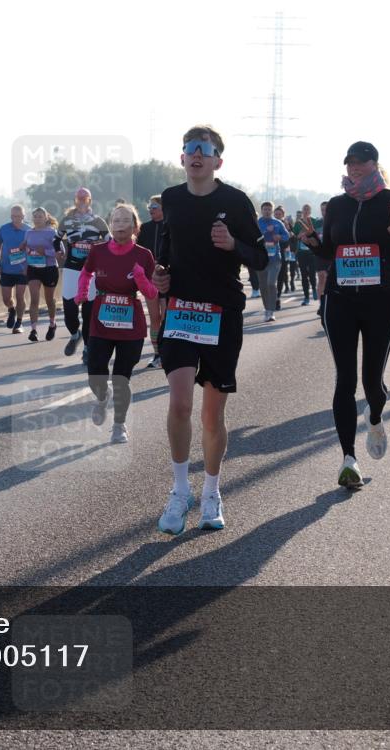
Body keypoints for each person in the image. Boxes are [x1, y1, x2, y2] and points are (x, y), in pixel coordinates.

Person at [153, 124, 268, 534]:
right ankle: (180, 491)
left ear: (218, 160)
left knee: (211, 414)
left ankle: (212, 492)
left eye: (204, 149)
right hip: (182, 311)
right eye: (189, 148)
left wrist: (232, 245)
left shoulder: (235, 201)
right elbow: (165, 250)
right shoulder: (171, 199)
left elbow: (261, 258)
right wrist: (161, 276)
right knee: (180, 403)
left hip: (222, 312)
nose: (196, 154)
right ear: (182, 158)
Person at [314, 141, 390, 488]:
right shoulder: (338, 205)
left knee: (371, 381)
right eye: (349, 163)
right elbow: (330, 251)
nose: (354, 168)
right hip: (340, 301)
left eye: (360, 162)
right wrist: (315, 245)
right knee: (344, 379)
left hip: (381, 302)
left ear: (375, 165)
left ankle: (374, 415)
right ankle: (349, 460)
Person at [75, 204, 158, 442]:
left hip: (131, 325)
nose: (120, 225)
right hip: (101, 321)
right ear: (110, 225)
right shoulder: (98, 251)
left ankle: (119, 426)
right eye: (116, 220)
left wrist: (141, 278)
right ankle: (103, 397)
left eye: (125, 221)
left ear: (135, 226)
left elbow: (152, 292)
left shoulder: (144, 255)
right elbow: (86, 272)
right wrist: (82, 291)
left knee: (122, 378)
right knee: (95, 375)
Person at [59, 188, 109, 363]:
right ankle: (75, 334)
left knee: (89, 313)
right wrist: (60, 251)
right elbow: (55, 240)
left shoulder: (98, 221)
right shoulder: (66, 221)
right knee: (69, 312)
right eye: (79, 198)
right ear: (75, 200)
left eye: (85, 198)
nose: (81, 201)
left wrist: (99, 246)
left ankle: (87, 348)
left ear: (90, 200)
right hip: (72, 269)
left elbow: (110, 242)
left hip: (92, 271)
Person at [22, 207, 62, 342]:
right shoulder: (28, 233)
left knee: (49, 300)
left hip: (49, 268)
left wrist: (45, 252)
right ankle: (33, 330)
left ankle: (52, 324)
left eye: (40, 216)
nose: (37, 219)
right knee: (34, 299)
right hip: (33, 268)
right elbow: (25, 249)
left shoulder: (53, 233)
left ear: (46, 218)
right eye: (35, 216)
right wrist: (25, 253)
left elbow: (61, 253)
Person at [137, 195, 166, 367]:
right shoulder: (144, 228)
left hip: (169, 279)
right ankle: (157, 354)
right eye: (149, 206)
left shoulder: (171, 226)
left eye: (154, 206)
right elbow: (139, 253)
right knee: (155, 318)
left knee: (167, 317)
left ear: (163, 208)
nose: (151, 209)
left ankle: (168, 352)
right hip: (150, 280)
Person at [0, 205, 31, 333]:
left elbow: (33, 250)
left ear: (23, 217)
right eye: (14, 216)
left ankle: (19, 323)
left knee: (20, 296)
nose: (16, 219)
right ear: (11, 216)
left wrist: (29, 265)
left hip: (23, 270)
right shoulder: (3, 229)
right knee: (6, 298)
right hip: (6, 269)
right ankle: (11, 309)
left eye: (19, 216)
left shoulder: (29, 230)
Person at [258, 202, 291, 321]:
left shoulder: (278, 223)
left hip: (275, 258)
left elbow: (287, 236)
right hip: (261, 259)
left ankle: (271, 311)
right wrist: (265, 232)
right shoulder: (257, 223)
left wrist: (280, 237)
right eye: (265, 209)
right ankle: (267, 309)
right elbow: (252, 237)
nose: (267, 211)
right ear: (261, 210)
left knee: (271, 283)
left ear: (272, 211)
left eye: (269, 209)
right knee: (263, 286)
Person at [294, 204, 320, 307]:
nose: (305, 211)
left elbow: (318, 235)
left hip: (312, 252)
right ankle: (306, 297)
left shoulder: (314, 221)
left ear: (310, 211)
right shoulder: (298, 223)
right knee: (304, 275)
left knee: (312, 274)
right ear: (302, 210)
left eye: (307, 209)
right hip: (301, 253)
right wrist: (299, 235)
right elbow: (295, 236)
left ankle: (313, 288)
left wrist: (310, 235)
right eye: (304, 209)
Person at [314, 201, 330, 316]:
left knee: (331, 279)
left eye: (326, 209)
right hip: (320, 254)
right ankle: (321, 304)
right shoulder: (317, 223)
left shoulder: (336, 221)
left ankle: (330, 303)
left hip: (333, 255)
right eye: (322, 209)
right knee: (321, 277)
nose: (324, 212)